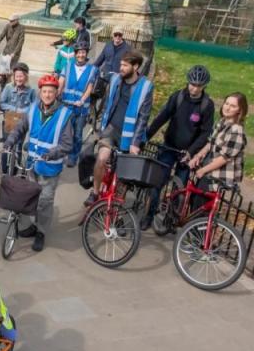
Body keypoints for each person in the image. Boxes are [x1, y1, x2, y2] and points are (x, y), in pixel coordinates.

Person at [3, 74, 74, 251]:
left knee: (45, 200)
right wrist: (10, 141)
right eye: (44, 91)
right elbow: (20, 128)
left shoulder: (65, 115)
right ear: (40, 92)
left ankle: (41, 232)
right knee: (33, 197)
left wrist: (51, 154)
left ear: (56, 93)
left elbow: (67, 144)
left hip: (50, 166)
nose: (47, 95)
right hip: (32, 164)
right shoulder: (33, 109)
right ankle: (35, 225)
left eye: (51, 91)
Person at [143, 65, 216, 229]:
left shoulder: (207, 105)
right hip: (169, 147)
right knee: (157, 183)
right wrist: (146, 136)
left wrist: (191, 152)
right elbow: (162, 117)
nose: (194, 88)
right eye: (192, 84)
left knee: (179, 189)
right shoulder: (178, 97)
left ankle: (170, 219)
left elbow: (205, 133)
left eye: (198, 85)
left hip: (187, 153)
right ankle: (148, 216)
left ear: (204, 86)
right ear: (188, 82)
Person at [90, 51, 154, 204]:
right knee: (101, 159)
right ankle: (95, 192)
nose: (121, 68)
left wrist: (135, 143)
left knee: (123, 176)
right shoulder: (116, 79)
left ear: (136, 66)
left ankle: (117, 207)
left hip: (130, 136)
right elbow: (107, 102)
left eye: (125, 65)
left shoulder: (146, 87)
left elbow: (144, 117)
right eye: (121, 64)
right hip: (111, 129)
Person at [187, 93, 247, 189]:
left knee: (199, 201)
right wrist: (197, 156)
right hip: (208, 169)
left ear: (239, 111)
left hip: (218, 177)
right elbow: (210, 143)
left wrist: (203, 170)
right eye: (226, 103)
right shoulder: (222, 122)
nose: (227, 108)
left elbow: (224, 158)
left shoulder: (236, 131)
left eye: (233, 106)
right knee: (192, 198)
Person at [58, 40, 97, 167]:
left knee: (78, 135)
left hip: (81, 109)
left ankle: (73, 157)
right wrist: (56, 94)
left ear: (86, 54)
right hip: (66, 106)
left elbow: (89, 88)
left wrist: (82, 100)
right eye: (79, 52)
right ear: (75, 54)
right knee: (63, 132)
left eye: (83, 52)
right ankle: (60, 153)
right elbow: (61, 82)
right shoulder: (68, 66)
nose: (81, 55)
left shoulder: (92, 70)